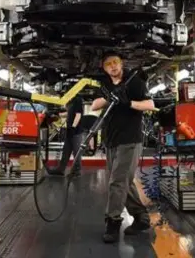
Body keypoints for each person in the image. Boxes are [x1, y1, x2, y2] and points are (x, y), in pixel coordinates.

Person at [90, 51, 155, 243]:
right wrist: (110, 97)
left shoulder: (134, 82)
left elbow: (150, 104)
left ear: (122, 63)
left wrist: (129, 103)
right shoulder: (106, 85)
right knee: (122, 181)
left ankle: (113, 222)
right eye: (108, 64)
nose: (113, 66)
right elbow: (94, 105)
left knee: (116, 183)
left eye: (115, 62)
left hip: (129, 140)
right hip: (111, 140)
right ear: (104, 68)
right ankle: (142, 218)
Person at [49, 95, 84, 176]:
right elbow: (68, 113)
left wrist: (73, 127)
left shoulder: (77, 99)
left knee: (76, 152)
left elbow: (78, 115)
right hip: (69, 130)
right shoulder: (70, 101)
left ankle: (76, 171)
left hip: (76, 131)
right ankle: (60, 170)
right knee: (66, 151)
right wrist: (57, 114)